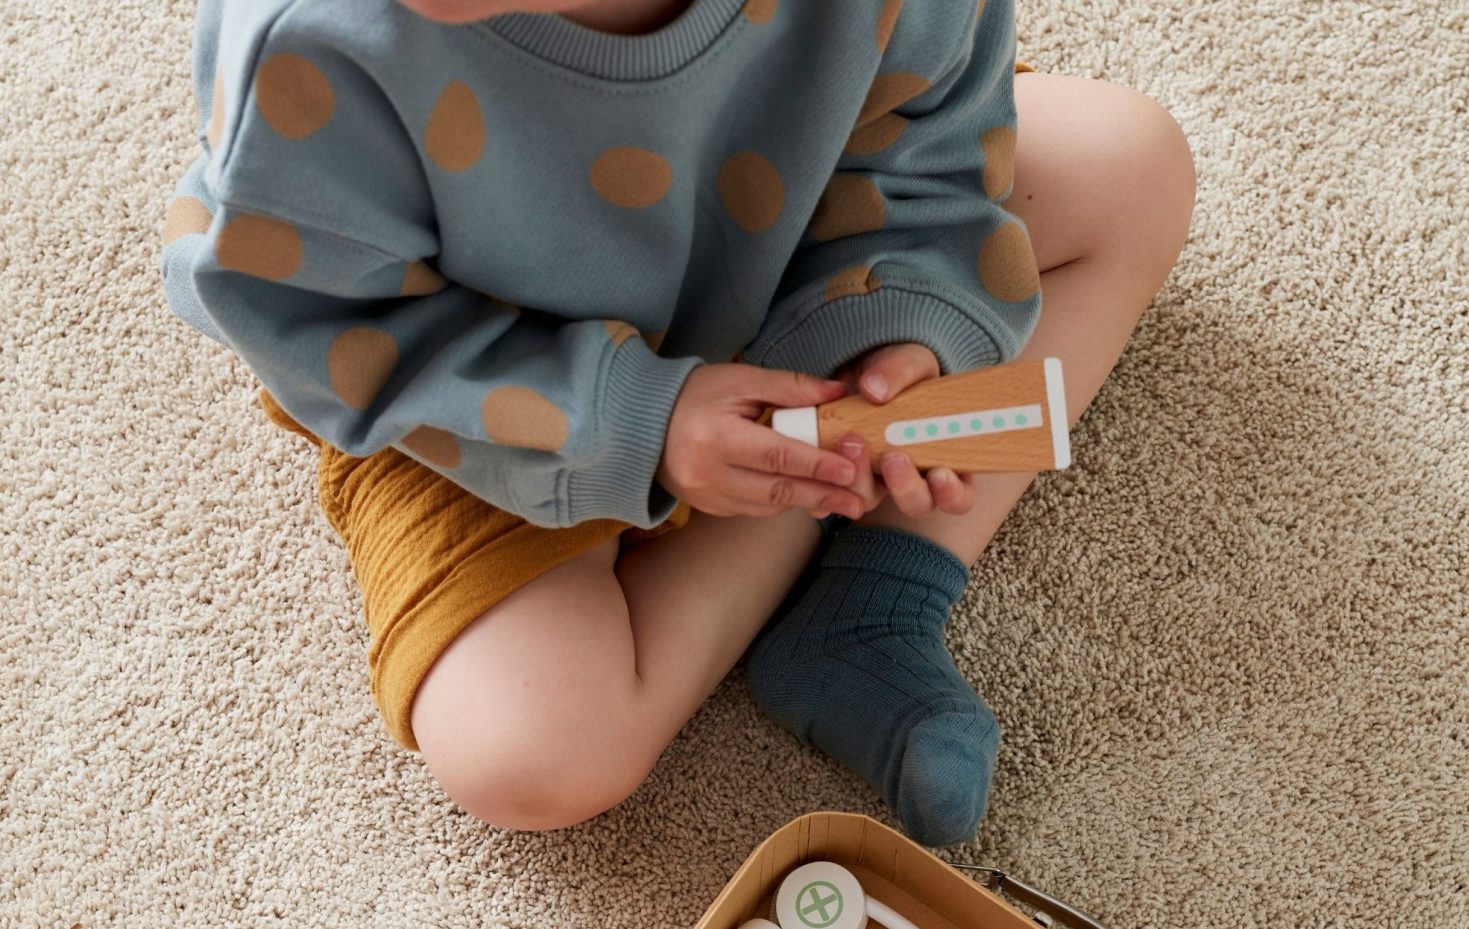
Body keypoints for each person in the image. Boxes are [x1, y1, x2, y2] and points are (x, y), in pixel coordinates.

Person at [161, 0, 1195, 845]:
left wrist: (899, 332)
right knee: (534, 751)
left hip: (781, 258)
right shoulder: (311, 41)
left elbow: (923, 157)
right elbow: (322, 323)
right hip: (484, 396)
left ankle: (871, 602)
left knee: (1132, 166)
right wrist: (640, 423)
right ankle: (822, 507)